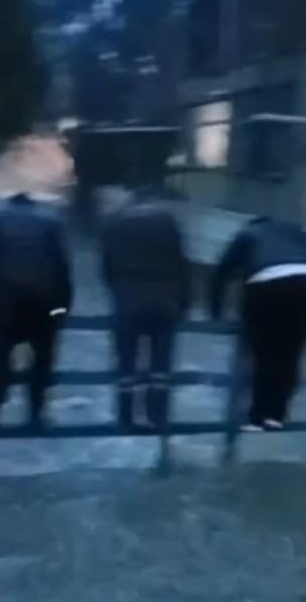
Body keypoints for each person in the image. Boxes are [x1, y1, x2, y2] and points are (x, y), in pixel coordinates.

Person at [209, 217, 306, 431]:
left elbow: (223, 272)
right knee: (290, 355)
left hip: (266, 283)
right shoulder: (298, 232)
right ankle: (276, 415)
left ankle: (257, 417)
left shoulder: (248, 234)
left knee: (263, 354)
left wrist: (215, 311)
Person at [0, 191, 73, 431]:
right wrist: (62, 310)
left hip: (6, 303)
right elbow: (62, 269)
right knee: (42, 357)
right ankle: (36, 414)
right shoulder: (52, 222)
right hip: (43, 303)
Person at [98, 184, 190, 430]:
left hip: (127, 304)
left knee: (126, 362)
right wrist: (183, 303)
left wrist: (118, 295)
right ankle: (157, 417)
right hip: (164, 304)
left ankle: (126, 418)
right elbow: (180, 266)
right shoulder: (167, 222)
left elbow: (106, 269)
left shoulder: (113, 223)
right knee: (160, 365)